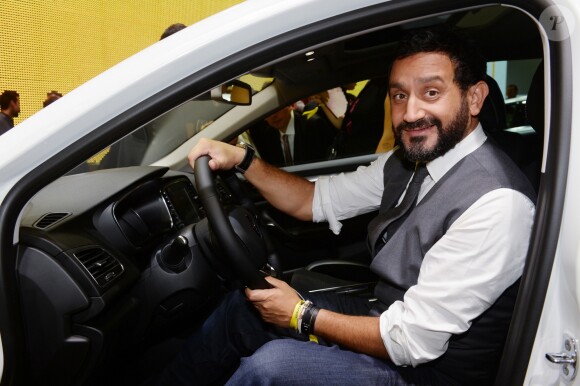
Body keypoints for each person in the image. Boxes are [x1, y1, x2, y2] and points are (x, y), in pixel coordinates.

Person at [158, 27, 536, 386]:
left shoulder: (497, 202)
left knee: (271, 370)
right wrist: (243, 159)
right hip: (389, 316)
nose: (410, 113)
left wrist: (300, 315)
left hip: (430, 371)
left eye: (431, 93)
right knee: (242, 311)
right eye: (400, 95)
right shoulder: (407, 162)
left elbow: (412, 342)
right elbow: (312, 200)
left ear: (474, 98)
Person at [249, 105, 335, 166]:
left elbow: (331, 161)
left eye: (277, 109)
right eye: (268, 112)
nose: (273, 116)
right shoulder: (268, 136)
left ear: (290, 105)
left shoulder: (313, 125)